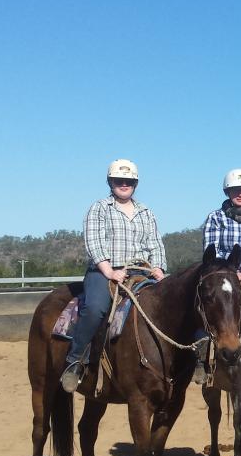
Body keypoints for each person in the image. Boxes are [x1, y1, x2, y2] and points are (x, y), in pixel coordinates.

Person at [60, 159, 167, 393]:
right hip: (105, 271)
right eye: (119, 180)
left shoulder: (146, 212)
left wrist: (159, 268)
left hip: (141, 272)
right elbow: (94, 242)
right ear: (111, 182)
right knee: (96, 307)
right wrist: (109, 270)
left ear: (135, 184)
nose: (124, 184)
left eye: (129, 181)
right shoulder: (99, 208)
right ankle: (75, 360)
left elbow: (155, 244)